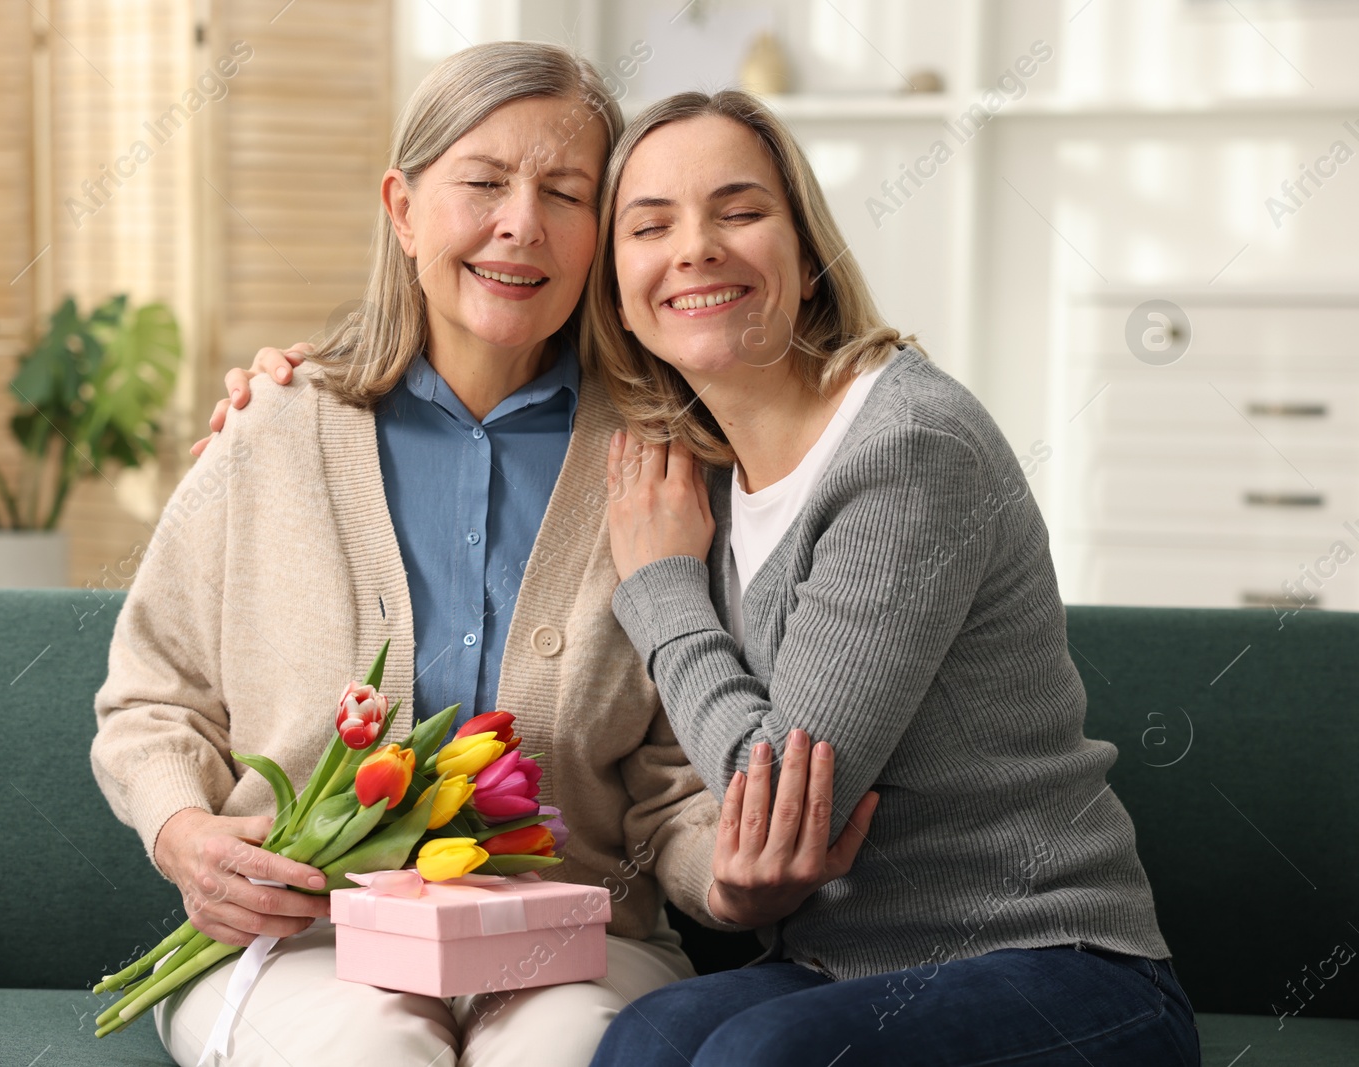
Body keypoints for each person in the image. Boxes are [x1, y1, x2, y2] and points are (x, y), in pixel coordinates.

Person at [94, 47, 873, 1067]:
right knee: (366, 1047)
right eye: (483, 182)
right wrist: (185, 835)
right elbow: (151, 699)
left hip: (575, 945)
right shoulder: (275, 427)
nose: (522, 223)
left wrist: (729, 879)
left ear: (598, 235)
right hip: (302, 940)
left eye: (566, 192)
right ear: (404, 207)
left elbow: (678, 776)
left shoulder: (669, 464)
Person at [577, 89, 1202, 1065]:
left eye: (739, 211)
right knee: (645, 1037)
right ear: (617, 285)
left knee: (757, 1058)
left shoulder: (907, 446)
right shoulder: (691, 475)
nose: (694, 247)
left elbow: (775, 795)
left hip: (1053, 959)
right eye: (649, 225)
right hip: (836, 966)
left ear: (808, 257)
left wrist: (660, 590)